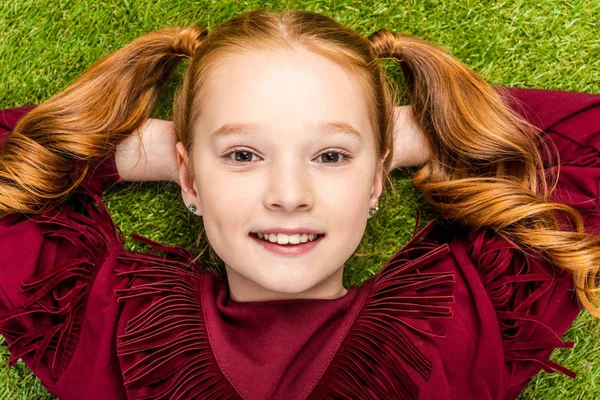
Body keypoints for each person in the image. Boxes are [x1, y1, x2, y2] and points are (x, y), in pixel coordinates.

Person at [0, 7, 599, 400]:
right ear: (187, 179)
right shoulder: (113, 329)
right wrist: (167, 153)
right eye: (243, 156)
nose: (288, 195)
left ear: (375, 182)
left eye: (331, 158)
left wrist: (410, 135)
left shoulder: (457, 322)